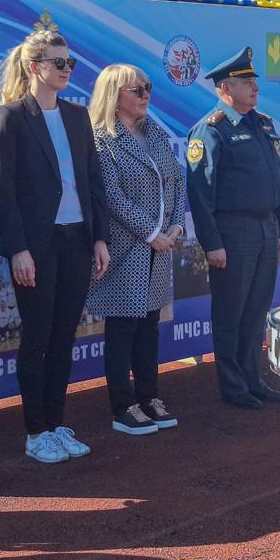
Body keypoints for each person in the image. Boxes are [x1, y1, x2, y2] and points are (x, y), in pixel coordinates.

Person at [0, 27, 111, 465]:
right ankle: (35, 430)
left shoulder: (77, 117)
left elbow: (92, 182)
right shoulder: (11, 117)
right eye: (59, 63)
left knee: (63, 337)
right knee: (37, 337)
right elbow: (5, 190)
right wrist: (18, 248)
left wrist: (99, 237)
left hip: (77, 239)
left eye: (69, 63)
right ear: (34, 66)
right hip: (37, 246)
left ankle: (56, 423)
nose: (66, 70)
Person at [86, 63, 188, 436]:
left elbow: (176, 179)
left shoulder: (154, 132)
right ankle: (123, 405)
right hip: (127, 248)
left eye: (147, 88)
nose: (146, 95)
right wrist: (151, 233)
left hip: (159, 248)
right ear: (115, 96)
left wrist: (175, 226)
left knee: (149, 325)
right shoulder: (101, 139)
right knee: (123, 327)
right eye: (137, 90)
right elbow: (110, 196)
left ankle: (149, 396)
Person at [186, 47, 280, 410]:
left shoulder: (262, 123)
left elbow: (276, 181)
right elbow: (201, 195)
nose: (255, 87)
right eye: (246, 82)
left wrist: (279, 230)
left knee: (256, 310)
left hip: (264, 230)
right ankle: (233, 386)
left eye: (254, 81)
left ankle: (252, 379)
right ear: (225, 88)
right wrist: (212, 243)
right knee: (231, 313)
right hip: (233, 233)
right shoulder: (210, 130)